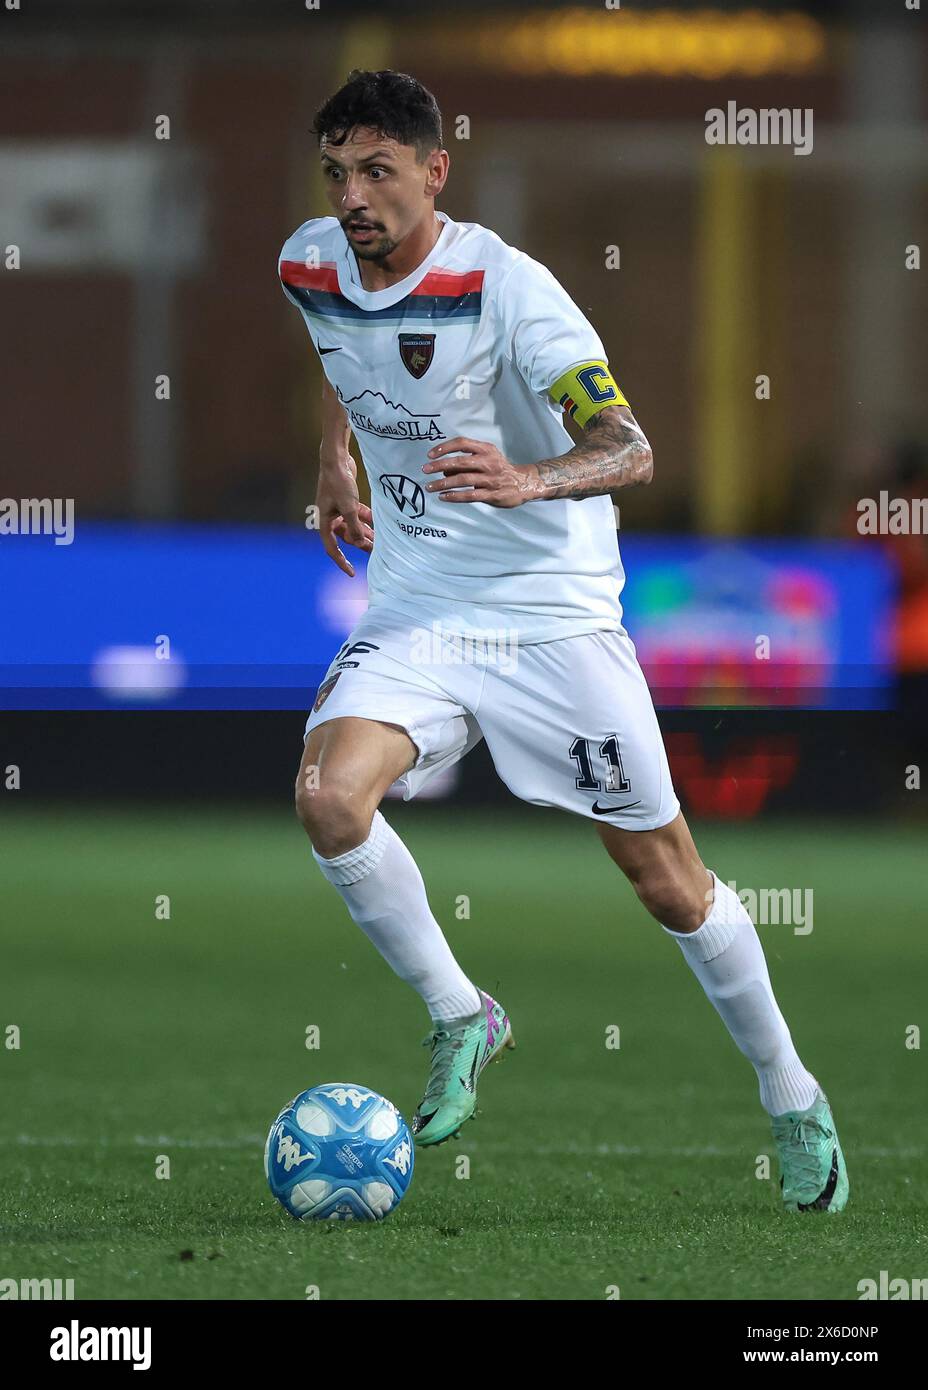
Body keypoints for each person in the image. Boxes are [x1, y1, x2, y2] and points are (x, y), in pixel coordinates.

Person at [279, 69, 847, 1212]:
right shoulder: (308, 261)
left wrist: (525, 477)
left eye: (379, 172)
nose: (354, 196)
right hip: (419, 609)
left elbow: (628, 446)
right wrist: (336, 460)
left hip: (552, 616)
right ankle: (460, 1015)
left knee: (668, 881)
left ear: (436, 172)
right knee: (330, 799)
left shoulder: (510, 290)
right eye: (339, 172)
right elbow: (345, 350)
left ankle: (791, 1093)